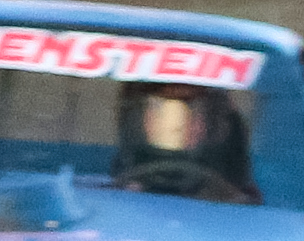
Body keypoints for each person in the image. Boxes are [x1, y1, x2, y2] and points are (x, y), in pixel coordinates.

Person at [111, 84, 259, 204]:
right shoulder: (111, 194)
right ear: (138, 118)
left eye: (192, 109)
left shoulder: (241, 205)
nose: (175, 125)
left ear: (214, 124)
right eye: (159, 109)